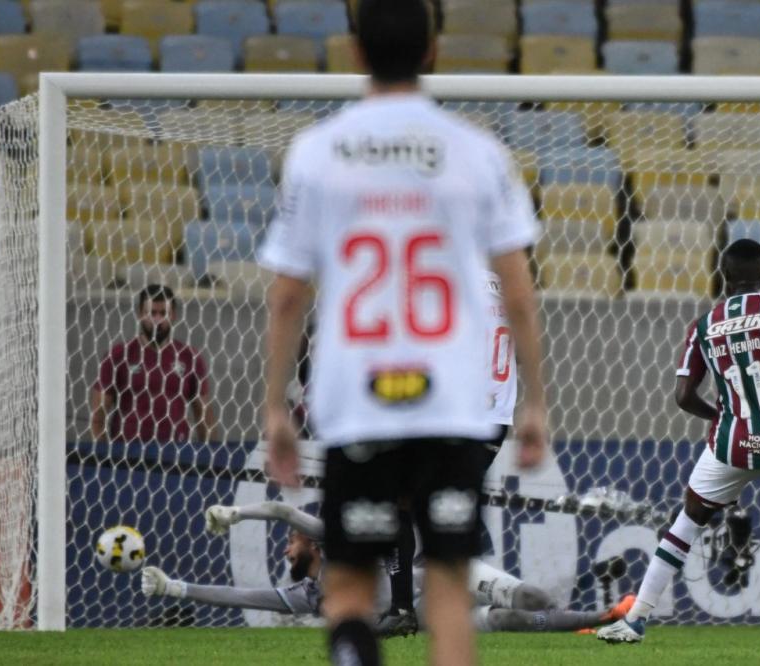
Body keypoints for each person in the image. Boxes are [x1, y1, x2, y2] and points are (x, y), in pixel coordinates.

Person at [256, 1, 548, 664]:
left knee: (352, 585)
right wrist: (535, 400)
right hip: (450, 403)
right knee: (446, 588)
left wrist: (276, 405)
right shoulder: (478, 152)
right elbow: (522, 296)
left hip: (358, 401)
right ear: (433, 52)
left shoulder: (317, 151)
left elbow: (286, 297)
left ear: (354, 53)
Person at [597, 239, 760, 646]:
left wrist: (721, 417)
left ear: (722, 278)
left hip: (729, 445)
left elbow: (684, 396)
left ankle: (634, 620)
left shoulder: (703, 325)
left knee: (684, 526)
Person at [139, 502, 631, 633]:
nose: (286, 552)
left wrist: (237, 514)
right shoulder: (310, 598)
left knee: (533, 601)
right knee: (511, 620)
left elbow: (287, 513)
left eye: (289, 545)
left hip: (447, 575)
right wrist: (175, 589)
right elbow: (240, 598)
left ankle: (578, 616)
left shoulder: (343, 540)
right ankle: (601, 621)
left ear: (310, 543)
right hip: (437, 617)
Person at [376, 270, 517, 637]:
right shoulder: (505, 284)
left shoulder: (451, 278)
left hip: (458, 414)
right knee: (440, 512)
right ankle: (431, 607)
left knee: (402, 505)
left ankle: (405, 608)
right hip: (497, 417)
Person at [90, 284, 215, 444]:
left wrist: (209, 459)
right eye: (151, 313)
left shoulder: (190, 357)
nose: (157, 320)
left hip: (177, 456)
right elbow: (98, 416)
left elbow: (203, 416)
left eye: (163, 313)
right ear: (140, 314)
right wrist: (104, 459)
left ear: (173, 315)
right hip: (127, 457)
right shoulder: (118, 356)